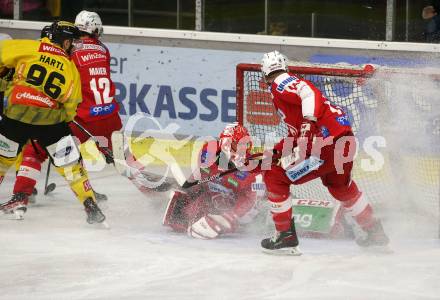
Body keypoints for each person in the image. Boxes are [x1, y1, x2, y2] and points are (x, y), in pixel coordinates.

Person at [259, 50, 389, 255]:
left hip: (324, 145)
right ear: (285, 65)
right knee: (341, 187)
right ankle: (374, 231)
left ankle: (285, 237)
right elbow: (298, 133)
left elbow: (308, 93)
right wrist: (275, 151)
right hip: (343, 142)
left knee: (274, 176)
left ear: (265, 73)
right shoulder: (286, 93)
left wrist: (309, 121)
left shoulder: (281, 82)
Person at [0, 20, 105, 224]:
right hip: (51, 120)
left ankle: (18, 197)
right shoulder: (70, 67)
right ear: (64, 42)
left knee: (2, 160)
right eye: (71, 42)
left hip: (17, 114)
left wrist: (4, 76)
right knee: (71, 166)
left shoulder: (28, 46)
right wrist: (62, 124)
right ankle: (89, 204)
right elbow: (71, 104)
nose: (73, 46)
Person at [163, 123, 263, 239]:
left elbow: (250, 201)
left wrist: (230, 216)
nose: (241, 150)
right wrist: (187, 190)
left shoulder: (253, 170)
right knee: (182, 213)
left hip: (243, 209)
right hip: (215, 197)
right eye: (236, 145)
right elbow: (200, 175)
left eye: (244, 145)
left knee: (237, 220)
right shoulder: (208, 150)